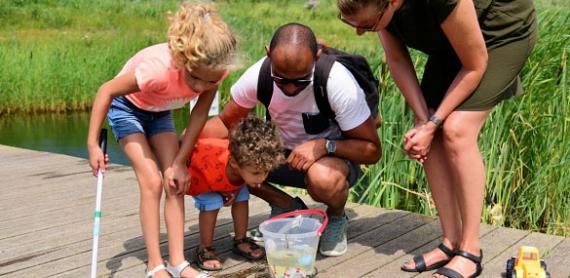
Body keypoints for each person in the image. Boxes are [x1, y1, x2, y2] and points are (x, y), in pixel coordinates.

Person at [337, 0, 536, 277]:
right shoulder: (379, 6)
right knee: (428, 132)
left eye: (368, 26)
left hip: (499, 35)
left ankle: (470, 251)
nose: (360, 33)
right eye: (349, 23)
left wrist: (434, 123)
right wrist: (423, 121)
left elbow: (475, 65)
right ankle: (450, 242)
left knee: (456, 130)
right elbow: (395, 59)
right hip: (450, 38)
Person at [201, 23, 382, 257]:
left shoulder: (336, 82)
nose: (289, 88)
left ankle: (336, 217)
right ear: (268, 53)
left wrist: (323, 146)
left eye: (300, 81)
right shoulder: (259, 76)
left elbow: (372, 151)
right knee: (230, 160)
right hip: (280, 156)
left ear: (316, 56)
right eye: (281, 79)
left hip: (331, 162)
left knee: (324, 179)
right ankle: (286, 205)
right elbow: (225, 124)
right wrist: (182, 147)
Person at [86, 2, 237, 277]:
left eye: (209, 82)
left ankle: (177, 263)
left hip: (159, 111)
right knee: (152, 181)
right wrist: (92, 144)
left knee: (175, 180)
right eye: (195, 79)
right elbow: (106, 91)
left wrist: (181, 161)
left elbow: (199, 113)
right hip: (126, 108)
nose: (201, 87)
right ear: (183, 60)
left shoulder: (216, 69)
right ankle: (155, 265)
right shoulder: (156, 69)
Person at [186, 116, 284, 271]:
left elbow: (240, 179)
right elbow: (201, 177)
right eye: (257, 172)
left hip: (225, 177)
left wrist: (234, 190)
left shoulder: (244, 161)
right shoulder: (215, 163)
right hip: (201, 175)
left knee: (242, 197)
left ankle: (240, 239)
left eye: (266, 172)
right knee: (212, 203)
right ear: (234, 163)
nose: (262, 178)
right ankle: (205, 247)